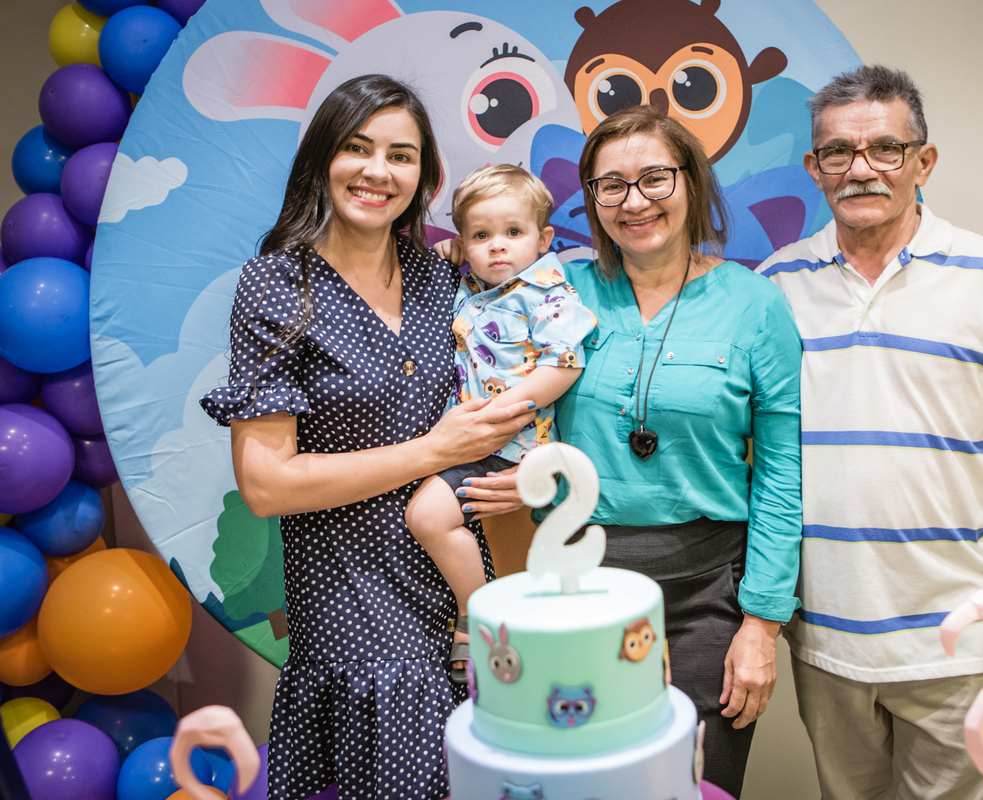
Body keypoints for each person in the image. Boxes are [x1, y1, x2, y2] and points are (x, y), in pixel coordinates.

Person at [199, 75, 534, 800]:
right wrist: (434, 451)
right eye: (358, 148)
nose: (378, 171)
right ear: (322, 158)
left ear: (423, 176)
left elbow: (524, 357)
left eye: (401, 156)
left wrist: (515, 471)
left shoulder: (443, 276)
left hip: (462, 586)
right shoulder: (278, 284)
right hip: (352, 599)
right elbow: (266, 485)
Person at [757, 65, 983, 799]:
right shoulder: (773, 287)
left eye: (886, 149)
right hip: (823, 634)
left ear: (923, 162)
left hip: (959, 639)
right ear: (815, 169)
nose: (861, 169)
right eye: (839, 152)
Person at [554, 105, 803, 798]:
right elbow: (475, 322)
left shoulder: (756, 305)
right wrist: (458, 254)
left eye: (654, 178)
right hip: (581, 587)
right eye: (611, 185)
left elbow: (781, 472)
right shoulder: (559, 294)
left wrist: (762, 625)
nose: (634, 202)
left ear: (691, 180)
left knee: (695, 785)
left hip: (707, 595)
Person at [406, 164, 596, 681]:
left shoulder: (549, 294)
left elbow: (564, 365)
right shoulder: (472, 282)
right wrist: (453, 250)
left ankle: (478, 622)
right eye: (481, 236)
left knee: (432, 519)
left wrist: (499, 413)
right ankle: (480, 614)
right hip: (471, 443)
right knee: (426, 518)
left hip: (511, 447)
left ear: (544, 239)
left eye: (513, 232)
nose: (497, 247)